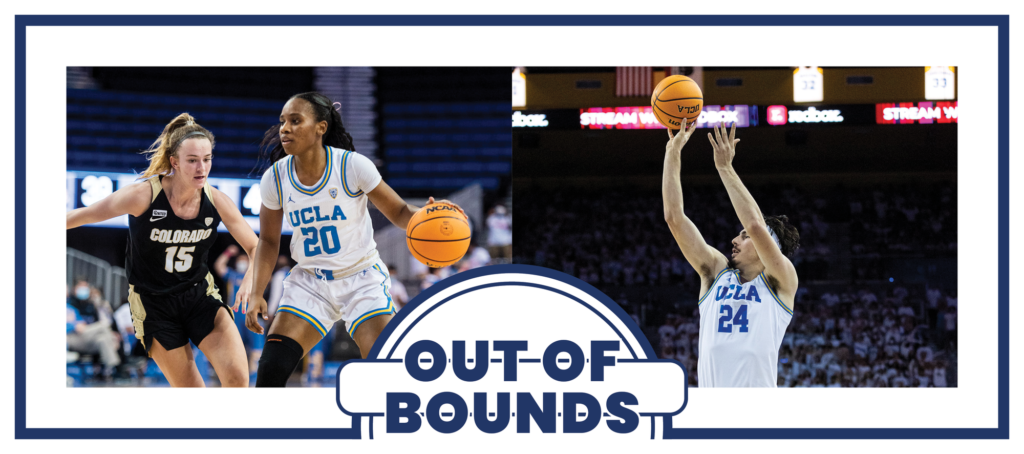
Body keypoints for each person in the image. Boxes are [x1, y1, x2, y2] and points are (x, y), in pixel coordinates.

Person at [246, 92, 462, 387]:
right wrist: (257, 291)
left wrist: (427, 217)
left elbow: (398, 211)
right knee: (270, 371)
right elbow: (269, 242)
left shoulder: (352, 166)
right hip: (311, 281)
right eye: (283, 121)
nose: (285, 128)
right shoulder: (275, 178)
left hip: (361, 279)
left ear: (321, 127)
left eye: (296, 121)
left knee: (384, 368)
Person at [66, 113, 258, 387]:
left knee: (238, 381)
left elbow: (255, 246)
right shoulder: (143, 196)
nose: (201, 167)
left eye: (207, 159)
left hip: (198, 296)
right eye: (192, 160)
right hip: (154, 305)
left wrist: (251, 279)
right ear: (174, 162)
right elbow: (84, 215)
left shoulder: (217, 200)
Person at [661, 121, 800, 388]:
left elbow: (755, 225)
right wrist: (672, 151)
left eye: (744, 237)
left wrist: (725, 167)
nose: (734, 240)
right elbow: (674, 218)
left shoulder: (781, 280)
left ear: (768, 245)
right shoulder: (716, 273)